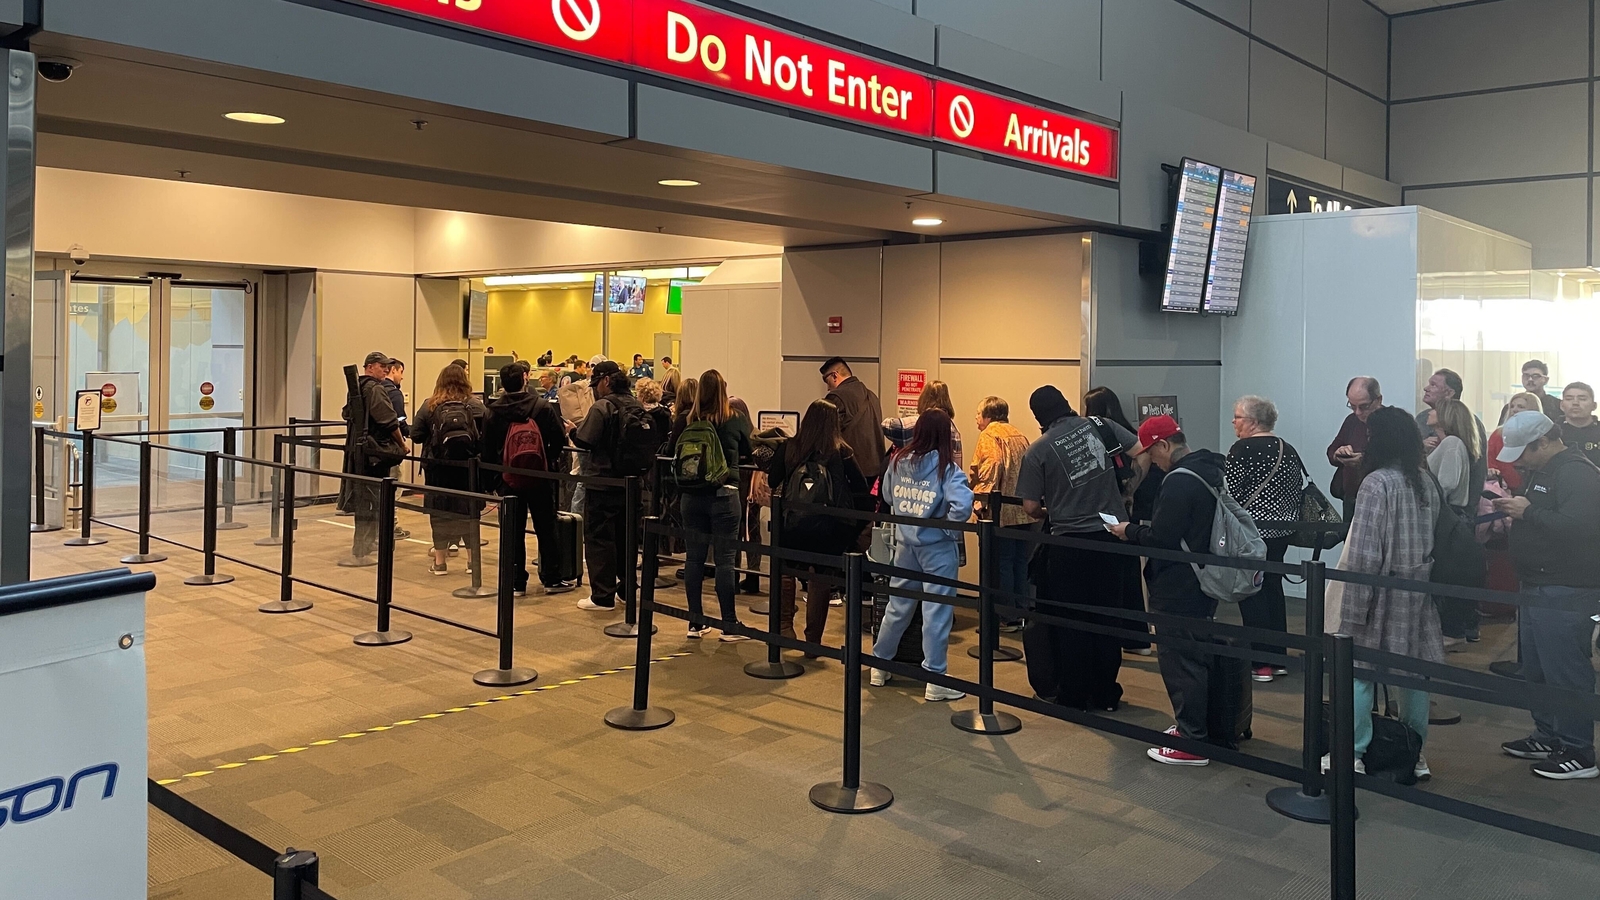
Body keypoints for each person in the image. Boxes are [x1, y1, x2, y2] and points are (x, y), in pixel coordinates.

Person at [1323, 406, 1442, 780]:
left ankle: (1352, 753)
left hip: (1378, 593)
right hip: (1416, 589)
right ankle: (1414, 754)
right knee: (1413, 676)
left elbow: (1364, 552)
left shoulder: (1377, 483)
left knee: (1359, 673)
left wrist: (1352, 608)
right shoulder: (1423, 479)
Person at [1110, 416, 1228, 765]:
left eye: (1151, 453)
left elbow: (1162, 539)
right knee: (1196, 653)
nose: (1152, 461)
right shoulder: (1212, 468)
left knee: (1180, 660)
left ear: (1164, 445)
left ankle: (1192, 740)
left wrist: (1129, 531)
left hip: (1178, 582)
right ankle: (1195, 728)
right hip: (1205, 576)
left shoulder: (1179, 481)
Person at [1014, 386, 1139, 711]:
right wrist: (1129, 493)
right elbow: (1142, 449)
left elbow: (1029, 507)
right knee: (1108, 617)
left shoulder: (1037, 451)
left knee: (1072, 622)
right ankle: (1106, 693)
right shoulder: (1100, 425)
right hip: (1111, 538)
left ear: (1038, 416)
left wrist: (1049, 510)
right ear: (1067, 404)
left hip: (1067, 544)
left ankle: (1076, 695)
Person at [1493, 411, 1600, 780]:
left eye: (1524, 452)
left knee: (1566, 670)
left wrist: (1529, 512)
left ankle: (1578, 750)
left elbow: (1582, 529)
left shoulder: (1577, 472)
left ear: (1543, 442)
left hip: (1566, 587)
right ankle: (1549, 734)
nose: (1518, 460)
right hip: (1538, 584)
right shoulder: (1544, 471)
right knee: (1538, 668)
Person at [868, 410, 973, 701]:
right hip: (937, 548)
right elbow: (962, 506)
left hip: (905, 544)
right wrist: (945, 527)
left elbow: (888, 496)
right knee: (936, 612)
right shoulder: (947, 468)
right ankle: (934, 678)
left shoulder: (899, 460)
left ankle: (880, 664)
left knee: (898, 606)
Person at [774, 399, 871, 648]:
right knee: (820, 578)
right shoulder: (841, 450)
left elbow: (774, 478)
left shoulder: (789, 447)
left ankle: (785, 627)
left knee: (786, 571)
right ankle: (813, 641)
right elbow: (861, 488)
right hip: (829, 526)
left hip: (792, 522)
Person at [1224, 396, 1302, 683]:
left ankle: (1261, 663)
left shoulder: (1242, 449)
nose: (1234, 422)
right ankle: (1277, 657)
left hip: (1251, 532)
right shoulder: (1288, 449)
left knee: (1251, 591)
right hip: (1281, 532)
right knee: (1273, 588)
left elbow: (1229, 492)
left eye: (1238, 417)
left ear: (1253, 422)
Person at [483, 363, 575, 595]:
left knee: (513, 529)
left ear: (502, 383)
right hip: (539, 477)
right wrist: (547, 463)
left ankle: (516, 582)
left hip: (508, 478)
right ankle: (551, 579)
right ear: (525, 379)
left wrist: (493, 480)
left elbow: (487, 449)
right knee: (546, 526)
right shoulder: (542, 406)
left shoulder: (494, 411)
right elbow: (557, 440)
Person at [676, 369, 754, 640]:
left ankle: (695, 623)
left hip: (691, 497)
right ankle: (729, 624)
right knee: (725, 562)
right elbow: (750, 449)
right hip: (724, 495)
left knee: (694, 559)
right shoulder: (735, 419)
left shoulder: (689, 420)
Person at [1083, 385, 1154, 654]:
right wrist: (1130, 490)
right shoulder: (1127, 432)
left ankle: (1115, 637)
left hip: (1107, 514)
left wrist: (1126, 491)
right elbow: (1143, 455)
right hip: (1130, 513)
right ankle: (1137, 639)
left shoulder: (1100, 432)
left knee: (1109, 578)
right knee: (1129, 574)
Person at [570, 361, 641, 611]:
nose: (595, 389)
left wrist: (571, 431)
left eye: (596, 383)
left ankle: (602, 596)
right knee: (626, 538)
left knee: (600, 539)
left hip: (602, 484)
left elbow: (585, 440)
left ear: (606, 381)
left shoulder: (602, 407)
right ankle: (626, 589)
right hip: (632, 484)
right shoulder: (636, 404)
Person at [410, 364, 488, 576]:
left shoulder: (430, 405)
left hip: (438, 470)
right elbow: (486, 436)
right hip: (468, 470)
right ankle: (473, 563)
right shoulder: (475, 405)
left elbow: (416, 435)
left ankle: (440, 563)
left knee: (439, 514)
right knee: (470, 513)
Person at [969, 396, 1031, 631]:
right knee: (1019, 563)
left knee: (1000, 564)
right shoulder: (1019, 434)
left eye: (977, 414)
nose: (976, 419)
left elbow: (991, 465)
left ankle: (1005, 616)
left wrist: (980, 500)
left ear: (988, 416)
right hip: (1023, 512)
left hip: (999, 511)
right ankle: (1021, 612)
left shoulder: (988, 435)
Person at [340, 351, 406, 567]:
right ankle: (362, 548)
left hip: (358, 454)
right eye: (381, 366)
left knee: (365, 500)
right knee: (373, 501)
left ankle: (363, 546)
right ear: (369, 366)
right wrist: (402, 444)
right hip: (374, 456)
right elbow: (388, 420)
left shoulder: (356, 388)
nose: (386, 369)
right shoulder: (375, 389)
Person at [1426, 397, 1483, 645]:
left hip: (1447, 517)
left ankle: (1452, 632)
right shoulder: (1450, 444)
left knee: (1445, 575)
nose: (1430, 411)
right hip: (1453, 516)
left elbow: (1446, 484)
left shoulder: (1451, 444)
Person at [1417, 368, 1488, 504]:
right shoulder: (1421, 419)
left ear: (1449, 393)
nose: (1426, 388)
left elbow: (1478, 471)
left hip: (1449, 507)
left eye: (1433, 385)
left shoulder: (1469, 422)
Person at [821, 357, 887, 480]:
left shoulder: (836, 397)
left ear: (835, 376)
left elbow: (827, 435)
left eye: (827, 381)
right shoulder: (872, 396)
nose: (828, 388)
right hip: (876, 471)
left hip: (851, 473)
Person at [1328, 376, 1384, 521]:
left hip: (1381, 498)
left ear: (1378, 400)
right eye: (1352, 406)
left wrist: (1364, 461)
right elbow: (1332, 450)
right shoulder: (1352, 420)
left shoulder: (1392, 422)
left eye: (1364, 406)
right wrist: (1339, 454)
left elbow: (1399, 458)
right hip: (1351, 497)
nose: (1358, 412)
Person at [883, 380, 963, 467]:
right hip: (942, 478)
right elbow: (957, 465)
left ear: (924, 399)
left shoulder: (918, 423)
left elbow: (887, 425)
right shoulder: (953, 431)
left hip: (916, 477)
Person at [1489, 392, 1546, 493]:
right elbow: (1490, 459)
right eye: (1512, 406)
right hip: (1502, 488)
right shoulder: (1498, 434)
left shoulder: (1540, 436)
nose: (1514, 410)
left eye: (1520, 406)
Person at [1500, 359, 1564, 423]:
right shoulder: (1511, 407)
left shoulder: (1557, 406)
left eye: (1535, 376)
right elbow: (1500, 431)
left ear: (1546, 380)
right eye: (1526, 376)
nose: (1530, 379)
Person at [1561, 382, 1600, 466]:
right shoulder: (1552, 433)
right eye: (1569, 399)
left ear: (1594, 406)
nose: (1575, 403)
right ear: (1561, 405)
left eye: (1582, 399)